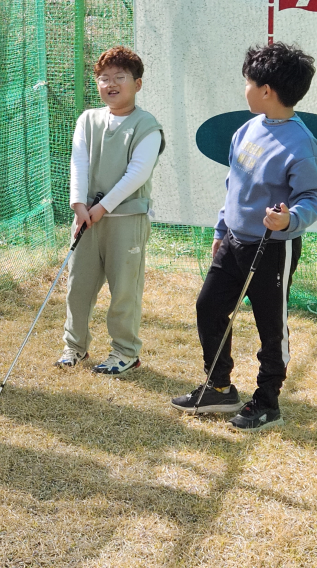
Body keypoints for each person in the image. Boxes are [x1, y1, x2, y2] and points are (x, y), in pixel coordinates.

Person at [171, 42, 317, 430]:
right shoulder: (248, 128)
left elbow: (311, 199)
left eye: (248, 82)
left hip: (272, 250)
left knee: (271, 327)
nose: (245, 89)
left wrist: (289, 221)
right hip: (233, 243)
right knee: (209, 306)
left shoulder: (301, 146)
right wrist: (221, 229)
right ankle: (219, 388)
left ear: (267, 90)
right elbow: (233, 185)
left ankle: (267, 403)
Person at [56, 46, 164, 375]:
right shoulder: (88, 119)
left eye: (120, 78)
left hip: (126, 221)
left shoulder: (148, 125)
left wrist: (102, 207)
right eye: (104, 78)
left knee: (124, 290)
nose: (111, 84)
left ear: (138, 84)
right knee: (79, 286)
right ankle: (74, 347)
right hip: (88, 218)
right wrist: (79, 206)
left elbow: (137, 175)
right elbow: (79, 162)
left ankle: (125, 351)